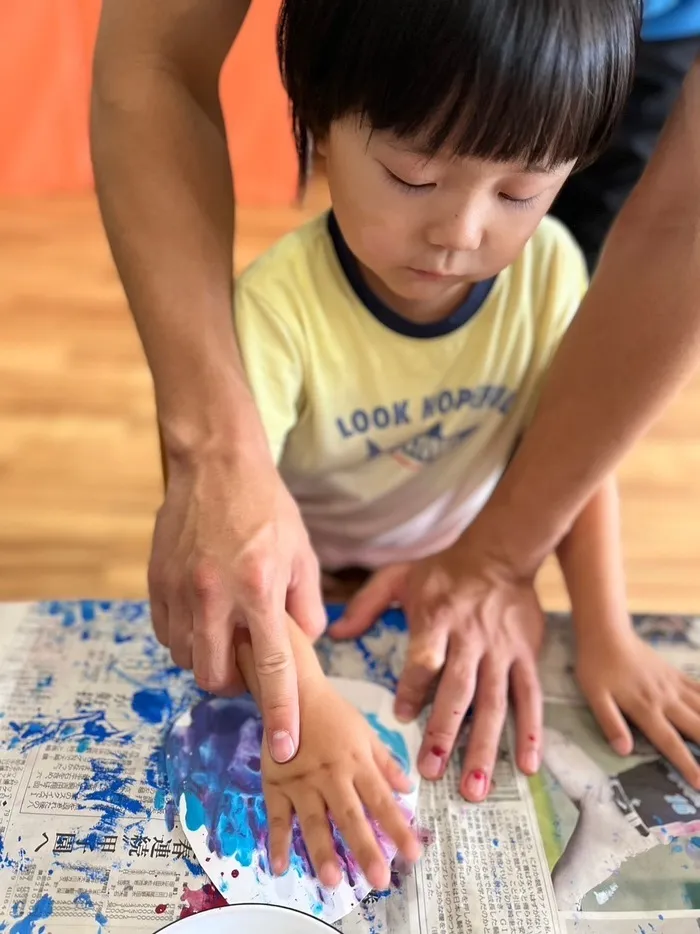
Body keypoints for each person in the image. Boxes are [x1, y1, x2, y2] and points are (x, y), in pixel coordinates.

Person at [90, 0, 700, 792]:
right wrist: (301, 702)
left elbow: (575, 436)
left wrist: (605, 630)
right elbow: (233, 534)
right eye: (414, 177)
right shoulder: (279, 310)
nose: (461, 232)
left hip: (448, 566)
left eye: (519, 191)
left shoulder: (548, 273)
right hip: (321, 587)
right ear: (316, 118)